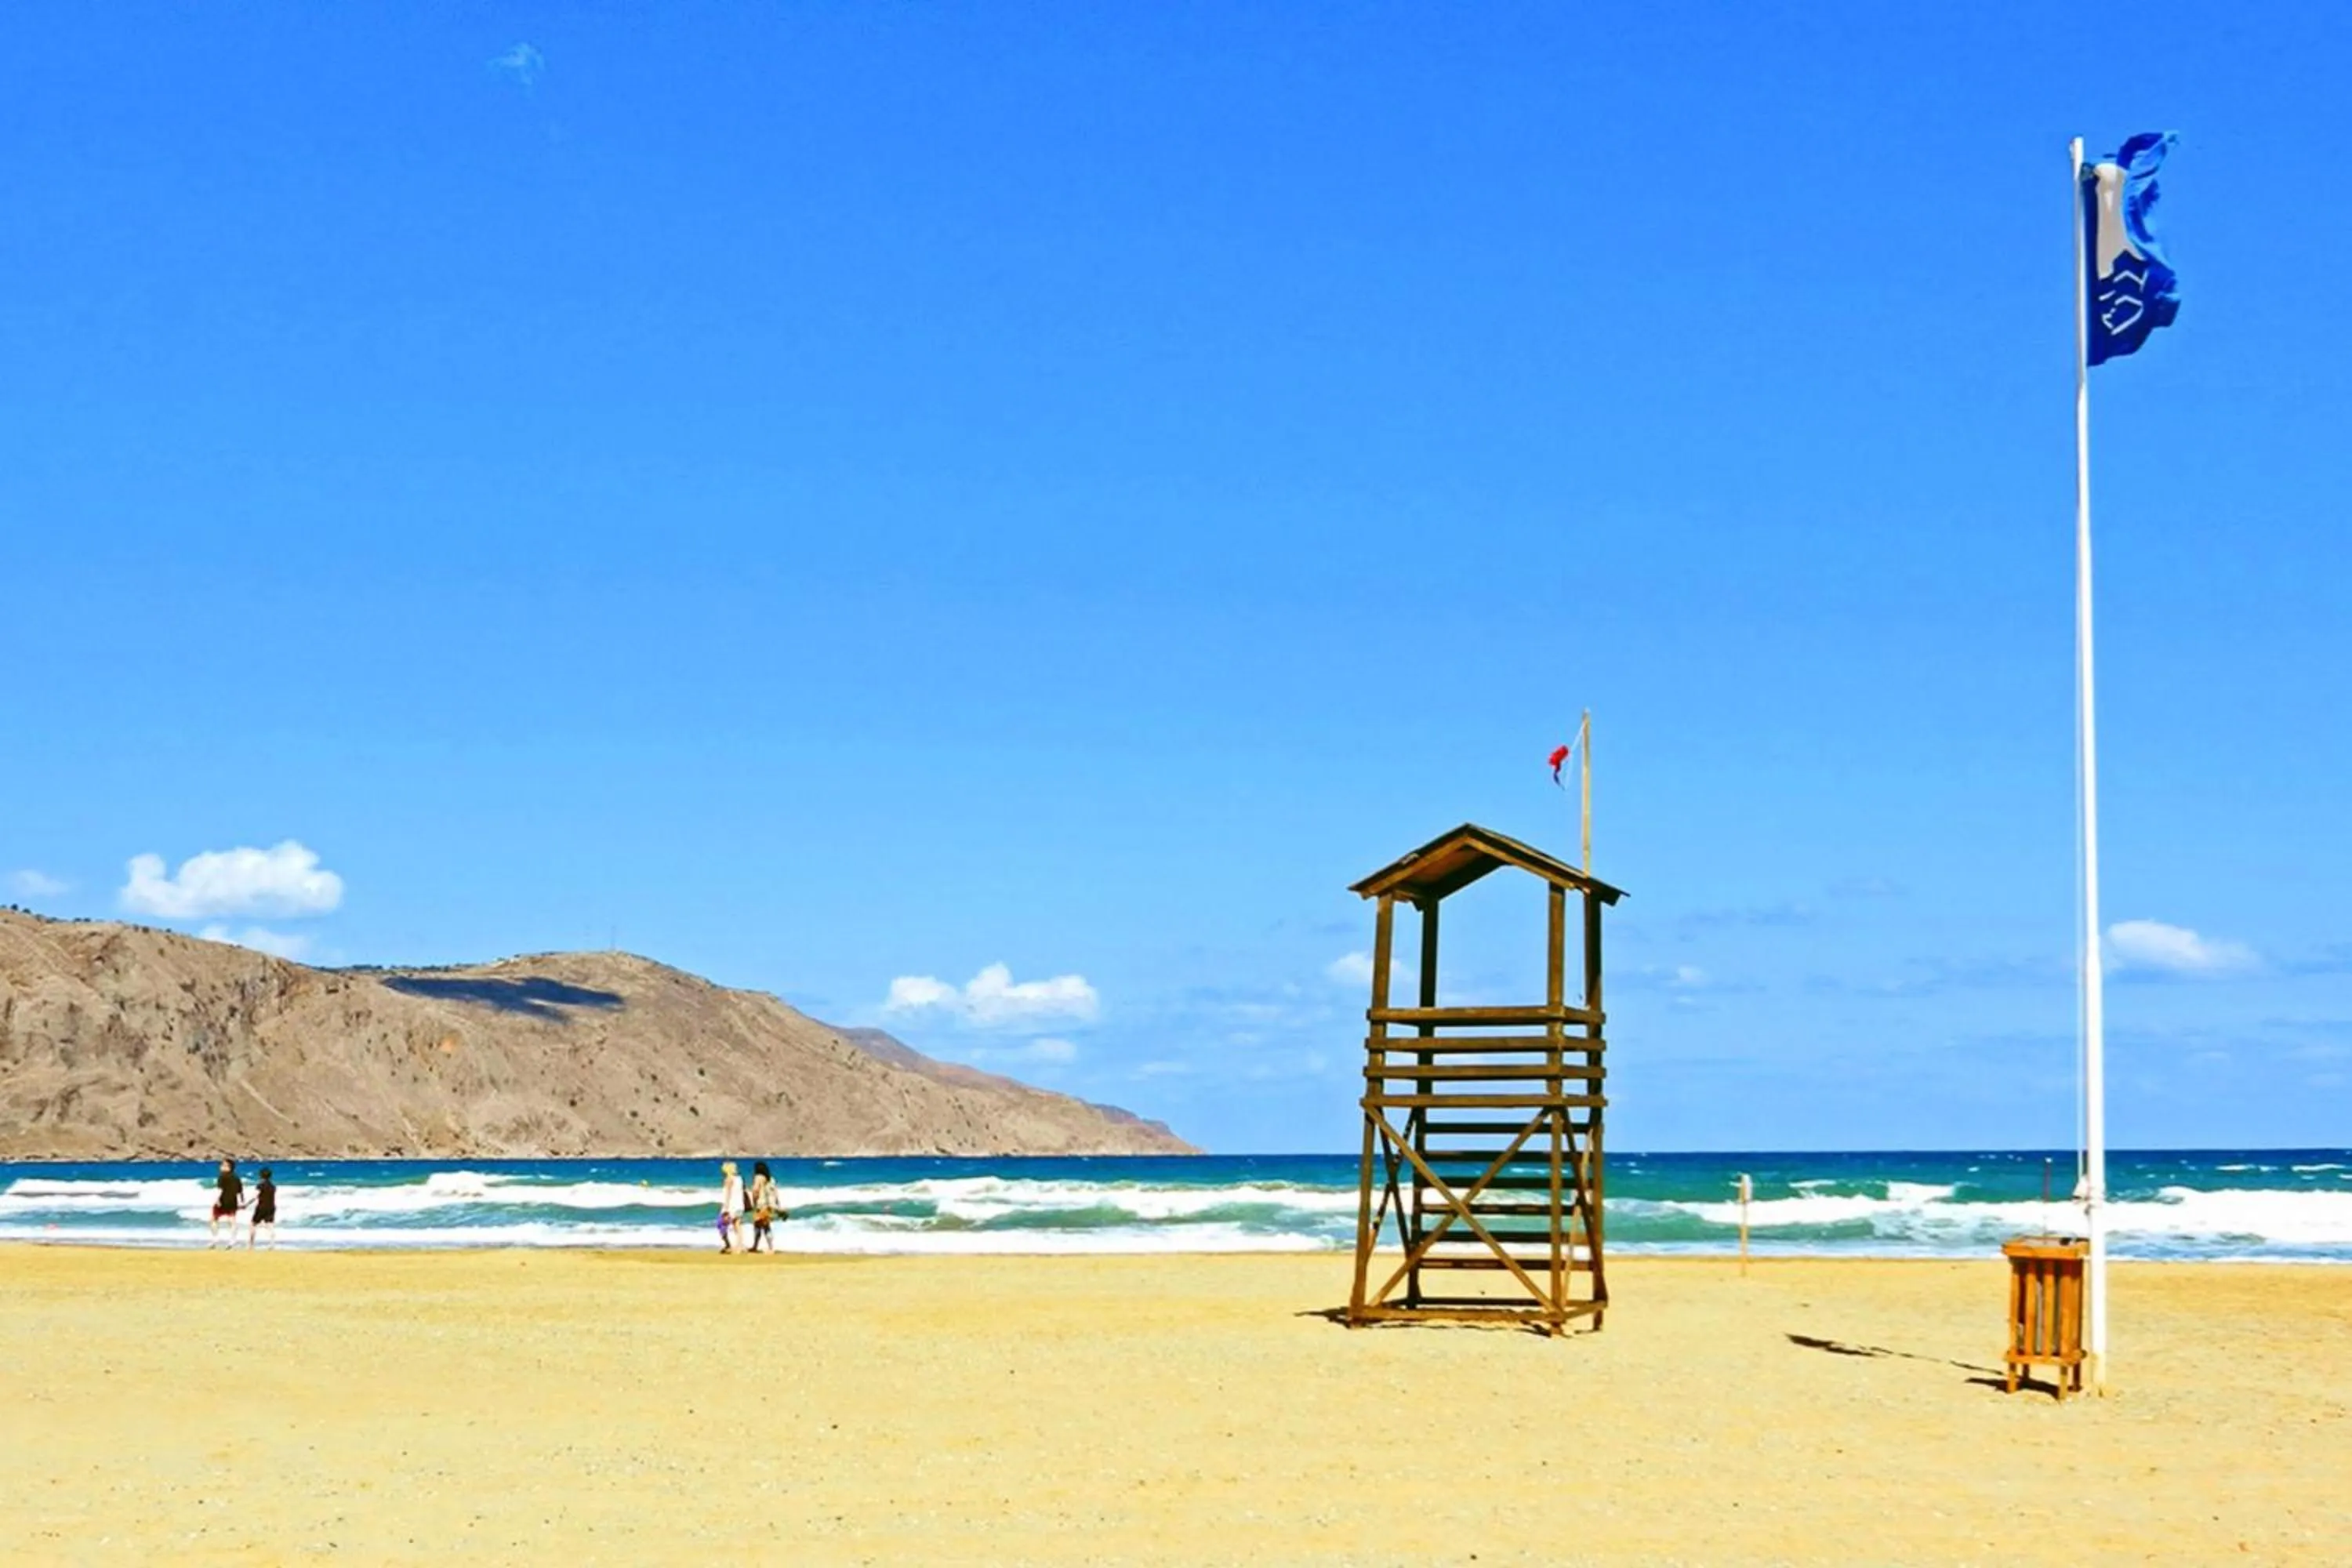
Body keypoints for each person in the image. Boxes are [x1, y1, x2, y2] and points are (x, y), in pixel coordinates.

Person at [745, 1160, 786, 1254]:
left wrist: (753, 1200)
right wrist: (777, 1205)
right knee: (764, 1226)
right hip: (769, 1205)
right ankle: (764, 1246)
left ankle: (764, 1247)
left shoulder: (758, 1177)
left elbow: (756, 1190)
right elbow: (775, 1193)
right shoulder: (771, 1179)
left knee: (759, 1226)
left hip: (761, 1204)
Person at [209, 1159, 243, 1248]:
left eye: (223, 1165)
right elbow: (240, 1192)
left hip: (223, 1200)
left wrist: (217, 1200)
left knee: (214, 1219)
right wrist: (241, 1202)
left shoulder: (222, 1176)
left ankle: (215, 1238)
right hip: (233, 1201)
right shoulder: (236, 1177)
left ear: (229, 1167)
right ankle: (233, 1240)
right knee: (232, 1220)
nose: (221, 1167)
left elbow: (220, 1190)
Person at [717, 1160, 745, 1254]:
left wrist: (726, 1207)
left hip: (732, 1205)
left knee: (721, 1224)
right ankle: (740, 1246)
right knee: (738, 1226)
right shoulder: (740, 1179)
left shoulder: (729, 1179)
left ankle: (728, 1244)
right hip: (740, 1204)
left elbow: (728, 1194)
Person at [249, 1167, 278, 1250]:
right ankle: (272, 1244)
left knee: (253, 1224)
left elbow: (255, 1197)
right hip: (271, 1207)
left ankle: (251, 1245)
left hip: (261, 1207)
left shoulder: (260, 1185)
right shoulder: (273, 1186)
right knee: (270, 1226)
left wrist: (246, 1204)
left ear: (261, 1176)